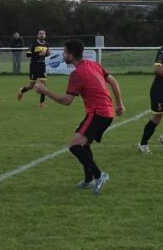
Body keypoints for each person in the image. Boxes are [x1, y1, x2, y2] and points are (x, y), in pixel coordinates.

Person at [33, 40, 125, 195]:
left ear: (71, 55)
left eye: (64, 52)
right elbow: (113, 81)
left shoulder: (77, 74)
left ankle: (99, 175)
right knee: (84, 143)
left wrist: (45, 91)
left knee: (75, 146)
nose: (63, 55)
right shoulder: (93, 64)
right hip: (104, 112)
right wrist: (119, 104)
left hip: (98, 113)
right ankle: (89, 180)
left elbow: (66, 101)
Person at [17, 29, 51, 106]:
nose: (41, 34)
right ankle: (22, 90)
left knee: (44, 84)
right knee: (31, 85)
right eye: (40, 33)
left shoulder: (47, 44)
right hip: (34, 66)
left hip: (42, 66)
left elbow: (45, 53)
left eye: (43, 33)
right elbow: (28, 54)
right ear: (37, 35)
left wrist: (47, 54)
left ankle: (42, 103)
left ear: (45, 35)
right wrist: (39, 54)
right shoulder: (34, 43)